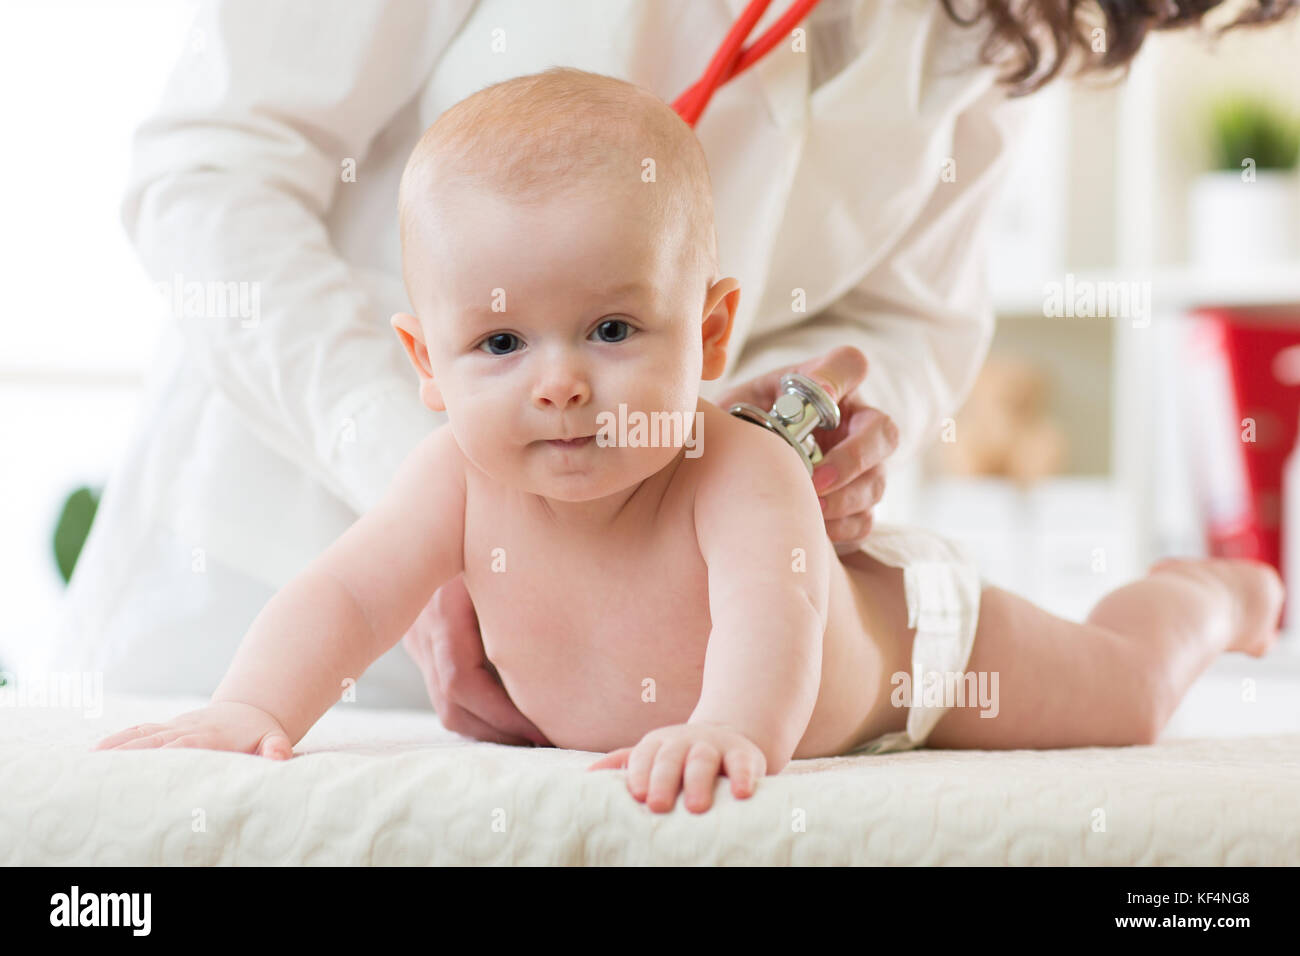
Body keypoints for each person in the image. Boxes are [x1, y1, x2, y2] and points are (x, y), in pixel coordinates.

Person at [52, 0, 1294, 739]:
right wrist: (437, 488)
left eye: (600, 333)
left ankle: (1211, 596)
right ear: (430, 362)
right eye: (494, 344)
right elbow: (213, 164)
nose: (553, 374)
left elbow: (907, 318)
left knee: (1116, 691)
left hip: (770, 592)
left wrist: (856, 419)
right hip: (259, 539)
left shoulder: (996, 23)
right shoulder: (439, 482)